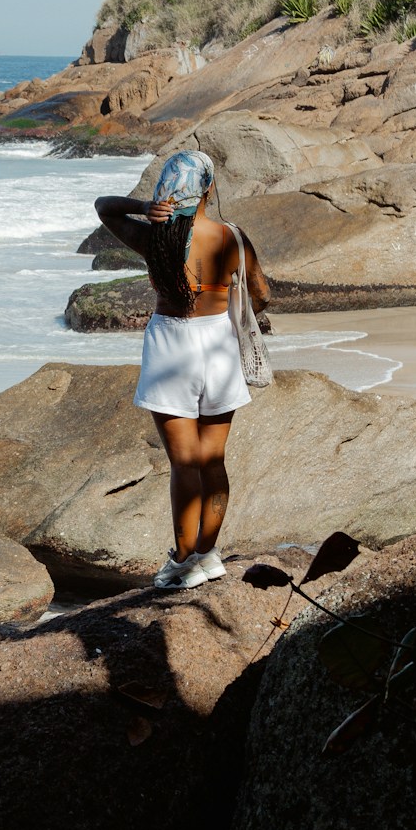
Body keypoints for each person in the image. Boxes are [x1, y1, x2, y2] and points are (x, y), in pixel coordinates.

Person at [94, 152, 271, 591]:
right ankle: (207, 553)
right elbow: (262, 295)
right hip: (219, 345)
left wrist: (145, 208)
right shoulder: (232, 237)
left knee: (184, 462)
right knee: (212, 459)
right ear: (208, 188)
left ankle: (183, 559)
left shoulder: (155, 239)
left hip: (172, 346)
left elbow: (104, 207)